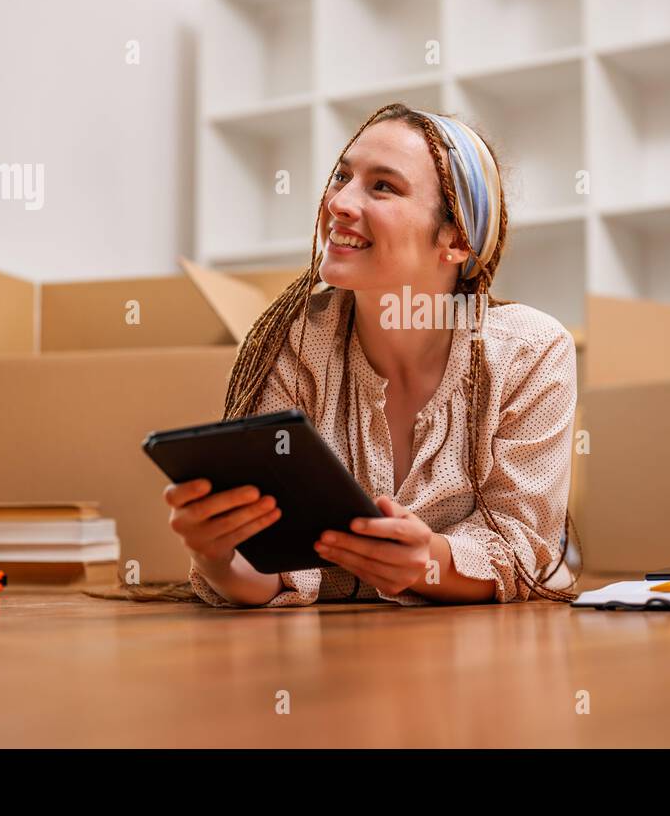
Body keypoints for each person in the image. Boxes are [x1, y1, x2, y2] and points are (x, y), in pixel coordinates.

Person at [165, 103, 581, 607]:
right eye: (342, 176)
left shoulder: (531, 352)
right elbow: (273, 570)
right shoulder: (294, 342)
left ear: (456, 240)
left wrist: (428, 562)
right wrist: (218, 556)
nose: (339, 201)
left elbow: (522, 548)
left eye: (382, 186)